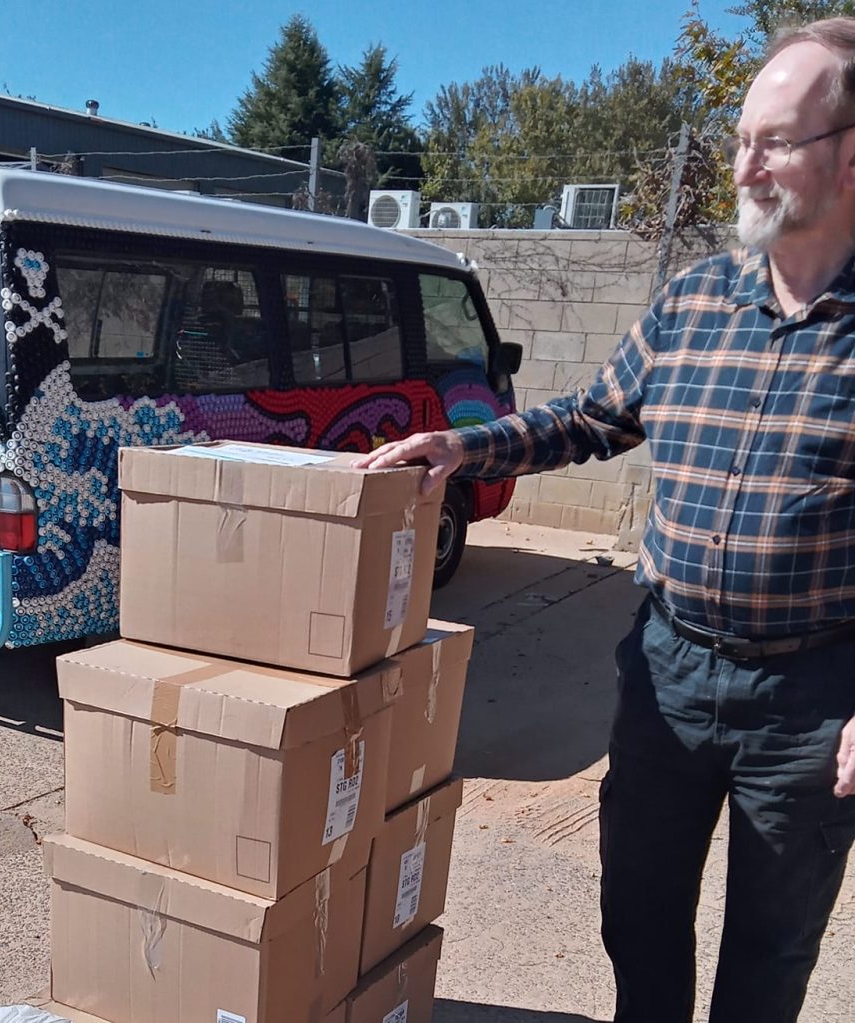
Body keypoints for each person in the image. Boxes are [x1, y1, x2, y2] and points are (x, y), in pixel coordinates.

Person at [356, 18, 855, 1023]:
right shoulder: (693, 301)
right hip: (669, 670)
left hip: (810, 697)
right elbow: (590, 416)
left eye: (774, 143)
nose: (743, 165)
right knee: (636, 915)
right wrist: (465, 447)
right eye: (740, 138)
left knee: (769, 952)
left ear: (849, 156)